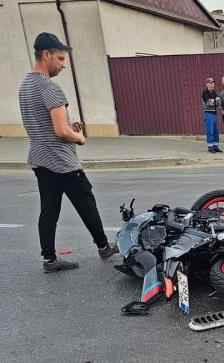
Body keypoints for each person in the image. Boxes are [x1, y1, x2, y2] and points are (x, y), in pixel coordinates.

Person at [18, 32, 119, 273]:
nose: (63, 65)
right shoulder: (50, 88)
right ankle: (104, 246)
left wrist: (67, 127)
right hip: (62, 162)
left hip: (40, 159)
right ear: (46, 55)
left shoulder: (25, 86)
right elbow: (61, 132)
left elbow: (44, 123)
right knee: (87, 203)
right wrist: (79, 137)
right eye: (60, 59)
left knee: (49, 210)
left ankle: (49, 260)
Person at [202, 78, 222, 153]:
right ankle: (210, 147)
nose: (212, 85)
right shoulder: (205, 92)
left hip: (214, 113)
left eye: (213, 83)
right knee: (210, 131)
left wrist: (215, 101)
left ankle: (216, 146)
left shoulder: (214, 92)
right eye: (210, 83)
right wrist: (215, 100)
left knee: (215, 131)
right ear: (207, 84)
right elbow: (208, 102)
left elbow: (218, 103)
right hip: (208, 113)